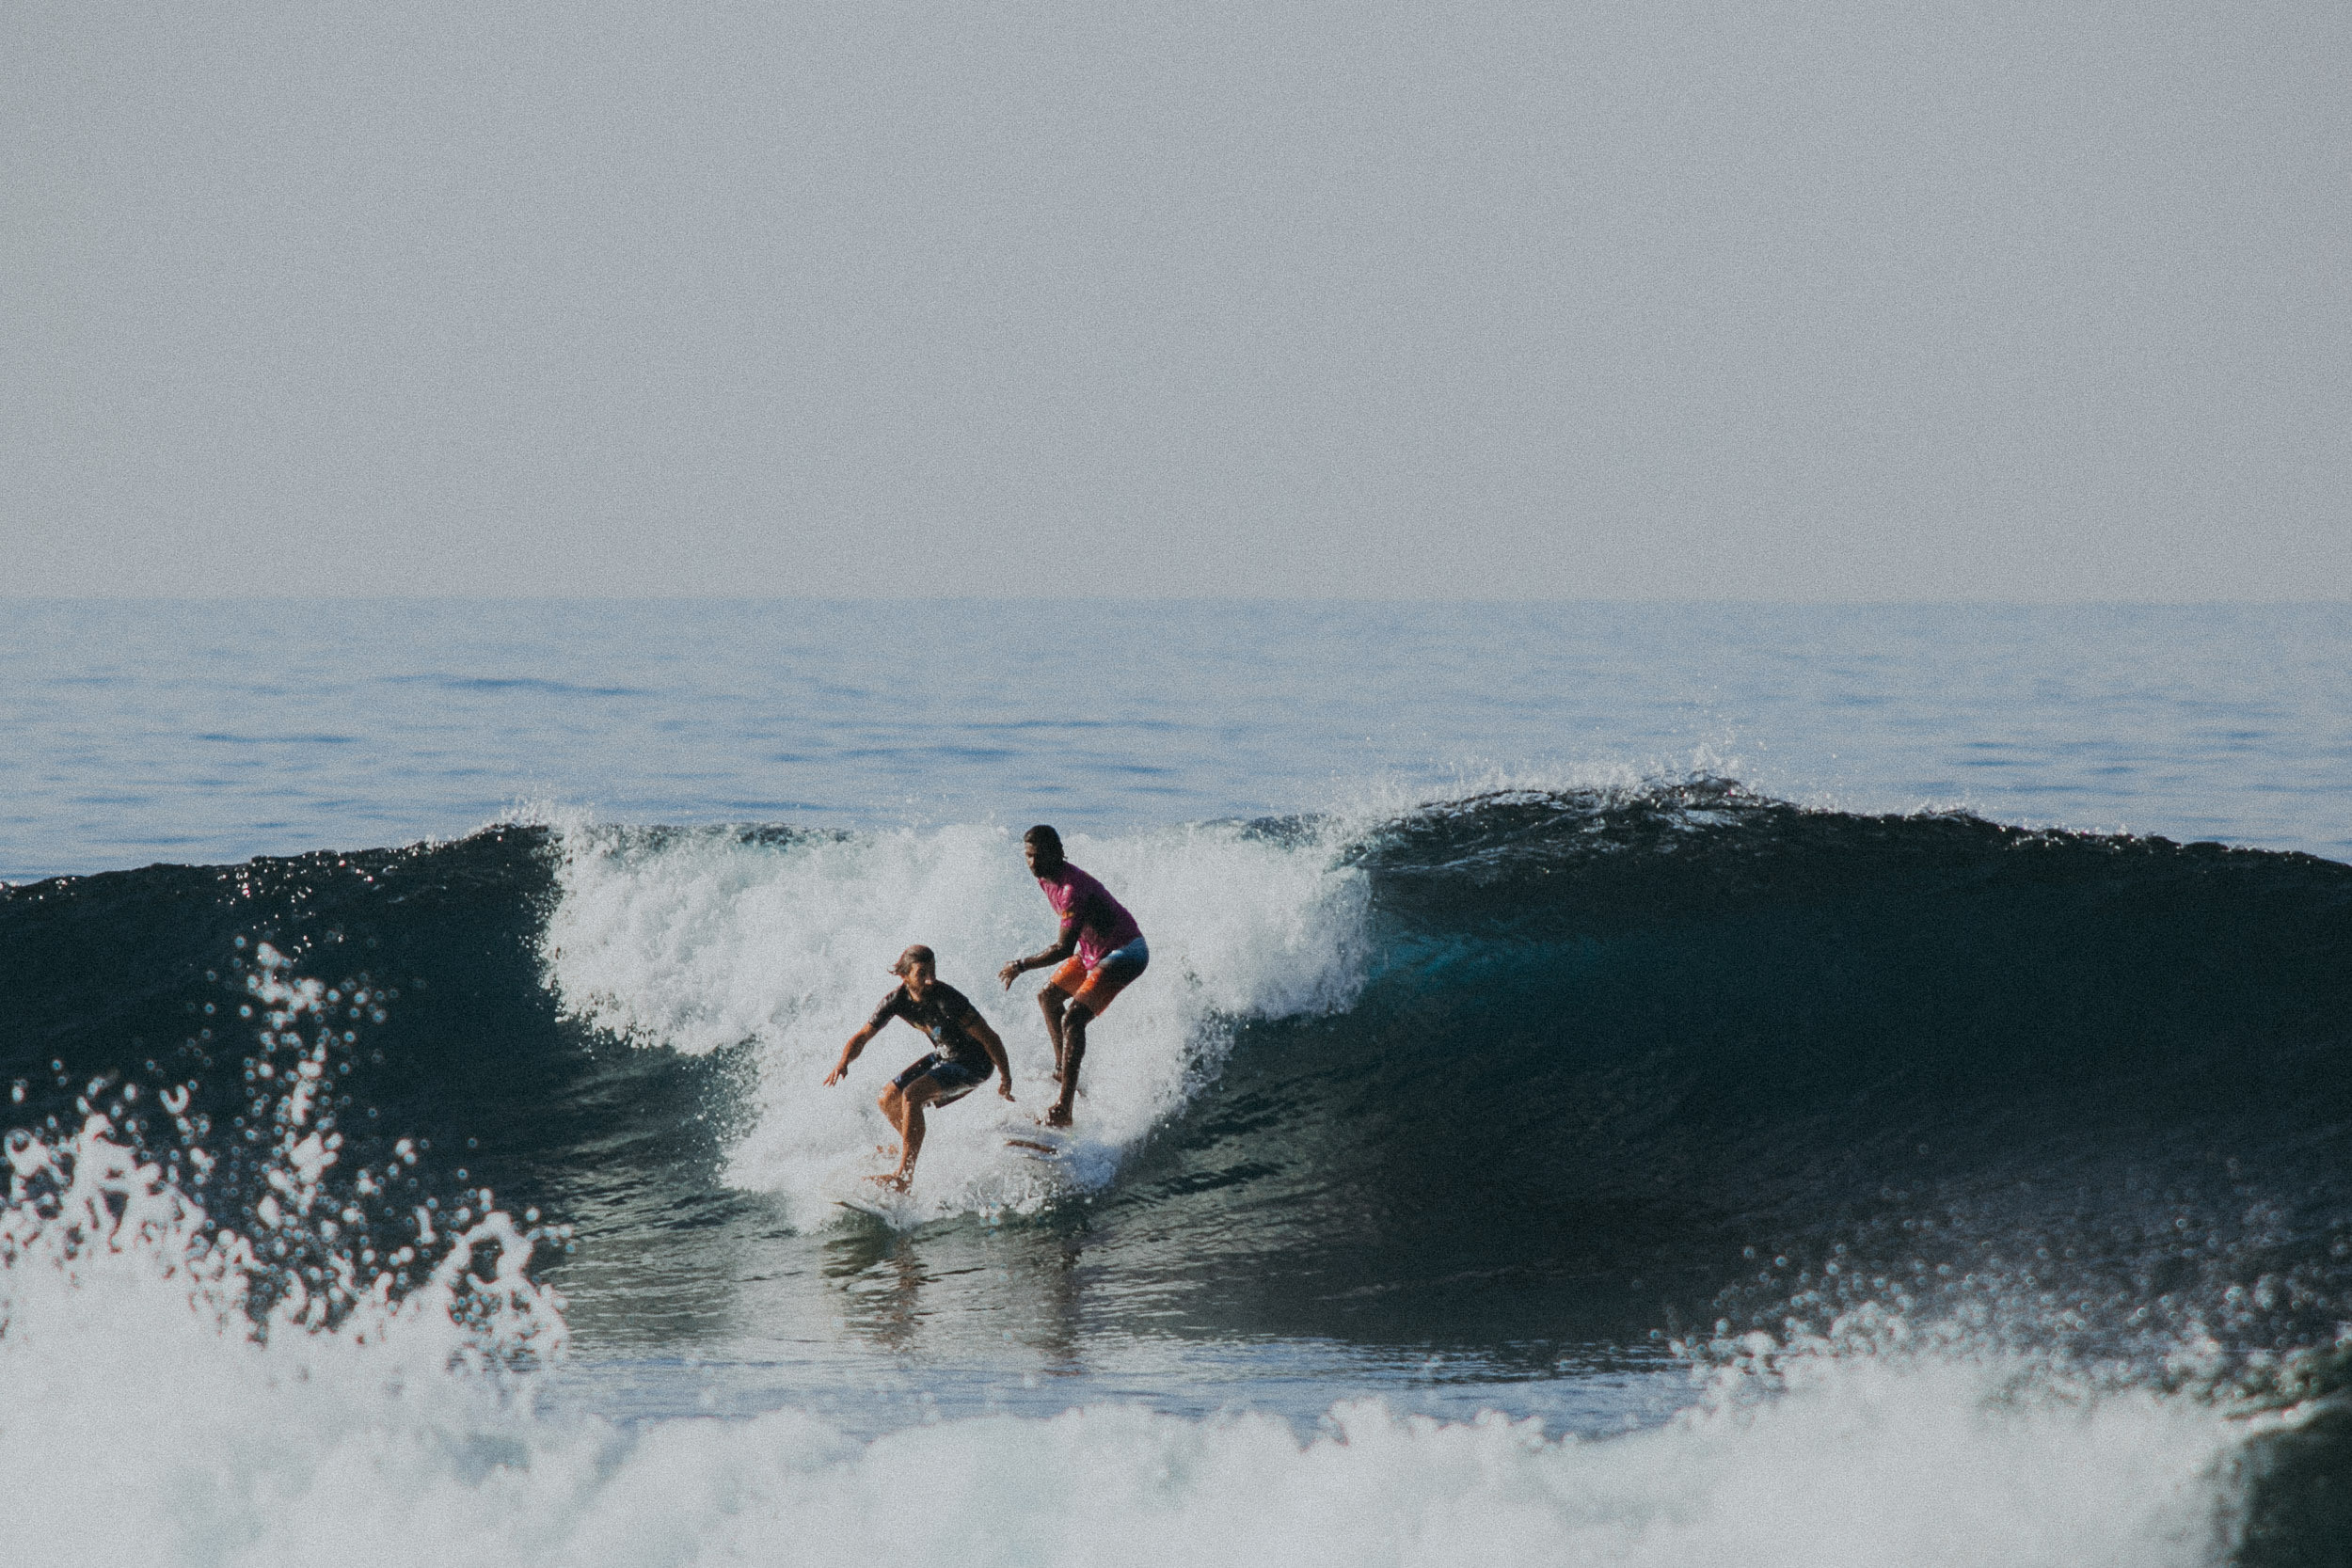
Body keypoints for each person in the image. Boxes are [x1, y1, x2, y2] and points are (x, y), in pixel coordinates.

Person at [825, 944, 1013, 1190]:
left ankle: (903, 1177)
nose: (930, 980)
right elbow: (862, 1035)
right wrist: (843, 1062)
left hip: (974, 1063)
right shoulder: (896, 1001)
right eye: (921, 973)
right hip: (945, 1057)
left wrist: (1005, 1077)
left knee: (912, 1095)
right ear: (904, 976)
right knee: (887, 1099)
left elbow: (990, 1037)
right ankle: (908, 1145)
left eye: (932, 971)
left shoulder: (949, 1000)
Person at [996, 825, 1148, 1128]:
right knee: (1048, 997)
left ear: (1057, 853)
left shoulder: (1072, 889)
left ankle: (1064, 1108)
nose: (1033, 864)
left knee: (1074, 1018)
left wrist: (1021, 965)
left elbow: (1063, 948)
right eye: (1028, 856)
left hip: (1125, 952)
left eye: (1039, 856)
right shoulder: (1045, 878)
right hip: (1093, 951)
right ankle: (1062, 1072)